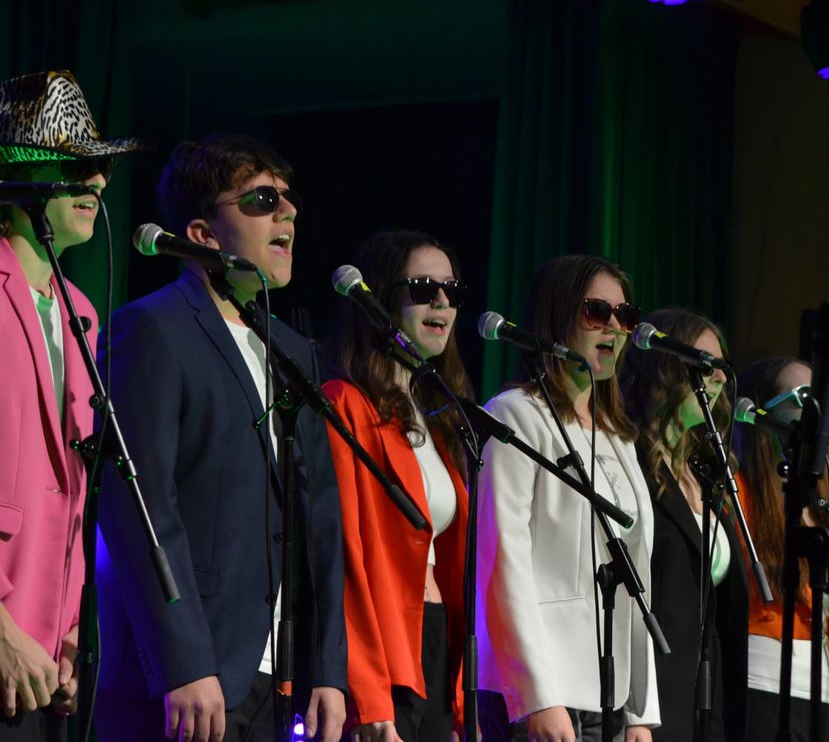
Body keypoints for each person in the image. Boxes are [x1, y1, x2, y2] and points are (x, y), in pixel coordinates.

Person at [94, 133, 347, 742]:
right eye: (262, 200)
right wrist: (182, 659)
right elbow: (139, 503)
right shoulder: (153, 328)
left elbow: (320, 523)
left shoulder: (295, 354)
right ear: (204, 234)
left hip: (279, 675)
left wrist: (328, 669)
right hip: (190, 676)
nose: (287, 212)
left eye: (289, 201)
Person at [0, 69, 145, 739]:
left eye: (104, 167)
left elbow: (74, 490)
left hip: (46, 663)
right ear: (26, 176)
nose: (101, 182)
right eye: (82, 163)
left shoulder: (80, 312)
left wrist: (69, 635)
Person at [476, 254, 658, 742]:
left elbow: (635, 573)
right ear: (557, 316)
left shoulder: (619, 438)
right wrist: (537, 695)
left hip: (607, 694)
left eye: (626, 316)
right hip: (539, 695)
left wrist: (640, 709)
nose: (616, 328)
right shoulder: (516, 415)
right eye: (598, 312)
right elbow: (502, 562)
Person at [322, 229, 472, 742]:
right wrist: (367, 689)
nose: (443, 301)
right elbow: (343, 554)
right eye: (425, 286)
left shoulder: (438, 418)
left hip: (433, 640)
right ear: (382, 297)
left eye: (452, 290)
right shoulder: (346, 403)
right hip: (384, 648)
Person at [619, 308, 749, 742]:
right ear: (664, 368)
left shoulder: (708, 473)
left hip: (706, 698)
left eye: (720, 370)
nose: (716, 380)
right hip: (650, 694)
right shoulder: (628, 461)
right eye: (703, 365)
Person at [734, 357, 829, 742]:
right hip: (761, 686)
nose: (816, 407)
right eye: (803, 396)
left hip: (823, 693)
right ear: (761, 412)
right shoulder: (740, 491)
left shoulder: (826, 501)